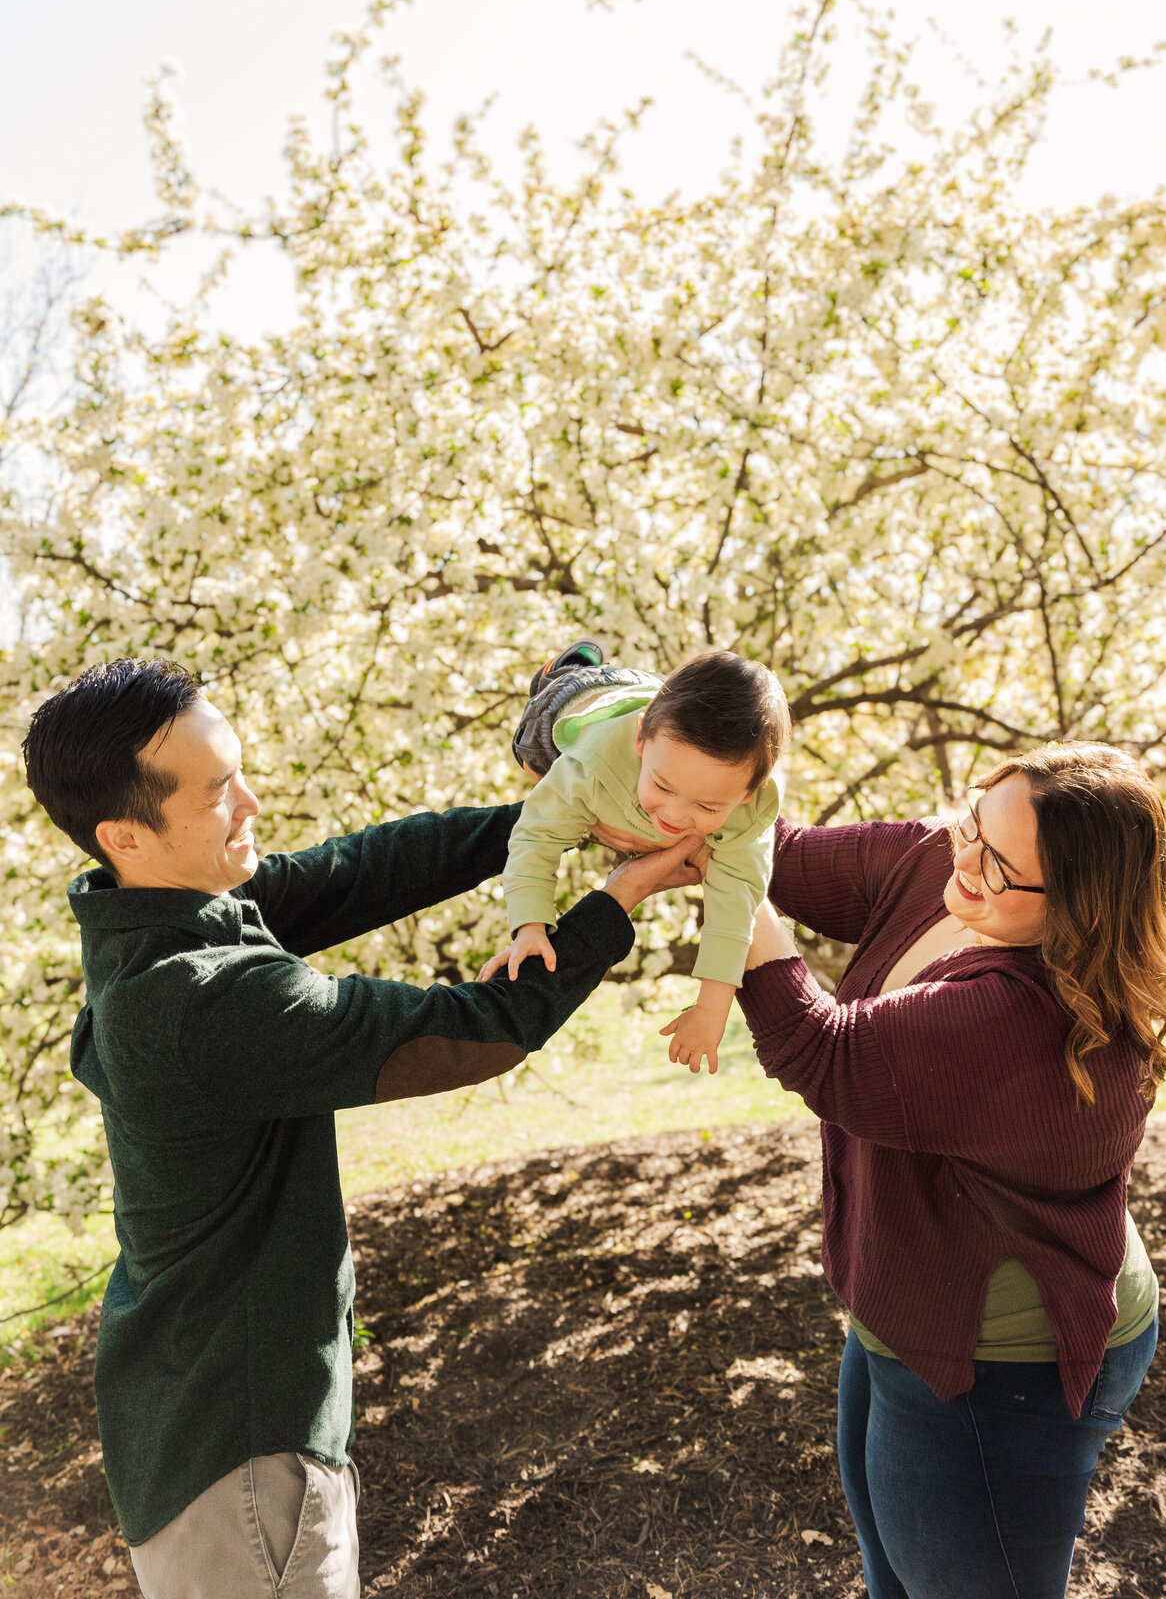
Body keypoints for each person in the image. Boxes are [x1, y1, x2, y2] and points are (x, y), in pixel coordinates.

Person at [22, 657, 707, 1599]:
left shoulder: (162, 919)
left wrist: (561, 818)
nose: (252, 802)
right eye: (220, 792)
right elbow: (469, 1033)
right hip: (241, 1460)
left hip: (215, 1430)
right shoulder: (198, 1000)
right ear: (124, 835)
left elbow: (363, 871)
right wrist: (619, 897)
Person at [734, 742, 1166, 1599]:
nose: (967, 860)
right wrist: (637, 737)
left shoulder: (1026, 1019)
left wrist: (730, 896)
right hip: (910, 1306)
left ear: (1079, 909)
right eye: (973, 824)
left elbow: (827, 1053)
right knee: (894, 1578)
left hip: (999, 1363)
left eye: (1001, 862)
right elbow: (779, 850)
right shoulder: (952, 861)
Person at [483, 644, 791, 1073]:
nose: (675, 815)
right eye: (662, 788)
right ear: (641, 740)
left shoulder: (746, 814)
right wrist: (530, 925)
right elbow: (535, 837)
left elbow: (735, 908)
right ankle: (565, 667)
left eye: (706, 808)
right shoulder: (589, 769)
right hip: (578, 705)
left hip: (651, 698)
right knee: (532, 756)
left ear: (746, 794)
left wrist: (711, 1009)